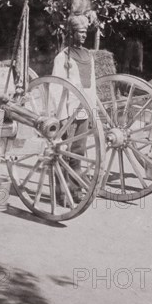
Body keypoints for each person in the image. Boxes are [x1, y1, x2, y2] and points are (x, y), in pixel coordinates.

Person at [51, 13, 97, 201]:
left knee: (78, 151)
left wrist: (92, 110)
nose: (84, 36)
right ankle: (62, 193)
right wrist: (60, 114)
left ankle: (75, 191)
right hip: (67, 109)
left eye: (85, 32)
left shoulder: (88, 55)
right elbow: (55, 86)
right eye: (79, 32)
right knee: (63, 152)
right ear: (71, 34)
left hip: (83, 109)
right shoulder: (62, 57)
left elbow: (92, 84)